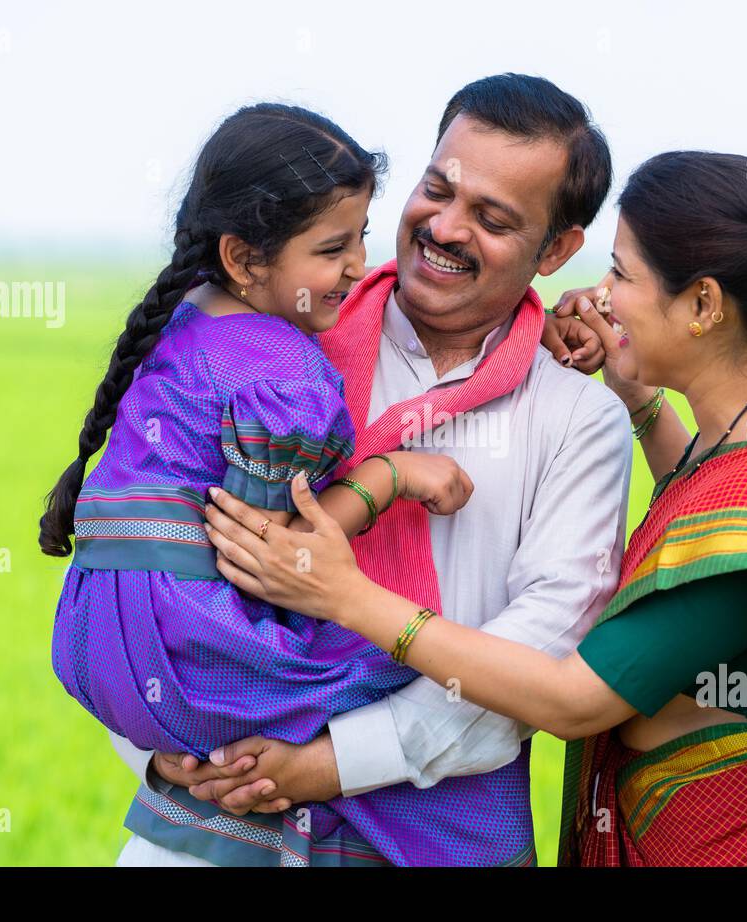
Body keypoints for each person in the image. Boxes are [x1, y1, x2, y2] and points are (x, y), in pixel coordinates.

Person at [205, 150, 747, 866]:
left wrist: (350, 598)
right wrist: (639, 397)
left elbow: (573, 698)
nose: (599, 299)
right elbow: (706, 501)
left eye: (623, 275)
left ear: (703, 302)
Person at [108, 75, 632, 866]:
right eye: (437, 189)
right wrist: (154, 746)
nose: (446, 228)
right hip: (206, 822)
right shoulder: (274, 341)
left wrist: (328, 766)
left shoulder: (574, 423)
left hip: (433, 841)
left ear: (557, 249)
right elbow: (135, 563)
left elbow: (538, 662)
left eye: (492, 219)